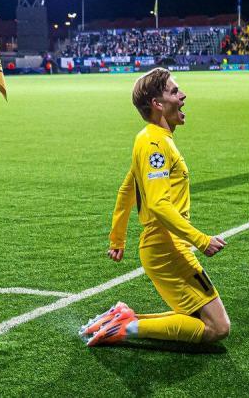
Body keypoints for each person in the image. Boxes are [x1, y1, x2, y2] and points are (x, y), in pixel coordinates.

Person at [81, 67, 230, 347]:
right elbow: (159, 204)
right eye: (175, 91)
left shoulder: (152, 139)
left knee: (197, 318)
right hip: (166, 248)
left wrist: (117, 237)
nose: (183, 96)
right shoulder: (153, 143)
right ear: (157, 104)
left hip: (168, 245)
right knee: (217, 328)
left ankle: (124, 318)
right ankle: (126, 329)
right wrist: (202, 240)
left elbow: (128, 188)